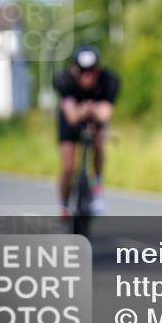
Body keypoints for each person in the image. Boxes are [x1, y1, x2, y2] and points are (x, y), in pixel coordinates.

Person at [53, 45, 120, 218]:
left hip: (94, 121)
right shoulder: (65, 80)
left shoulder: (109, 80)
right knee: (68, 165)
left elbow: (105, 114)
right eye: (83, 71)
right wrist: (90, 109)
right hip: (70, 122)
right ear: (75, 70)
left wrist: (86, 110)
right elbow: (72, 117)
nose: (87, 76)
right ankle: (65, 203)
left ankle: (97, 188)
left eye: (92, 71)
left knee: (99, 143)